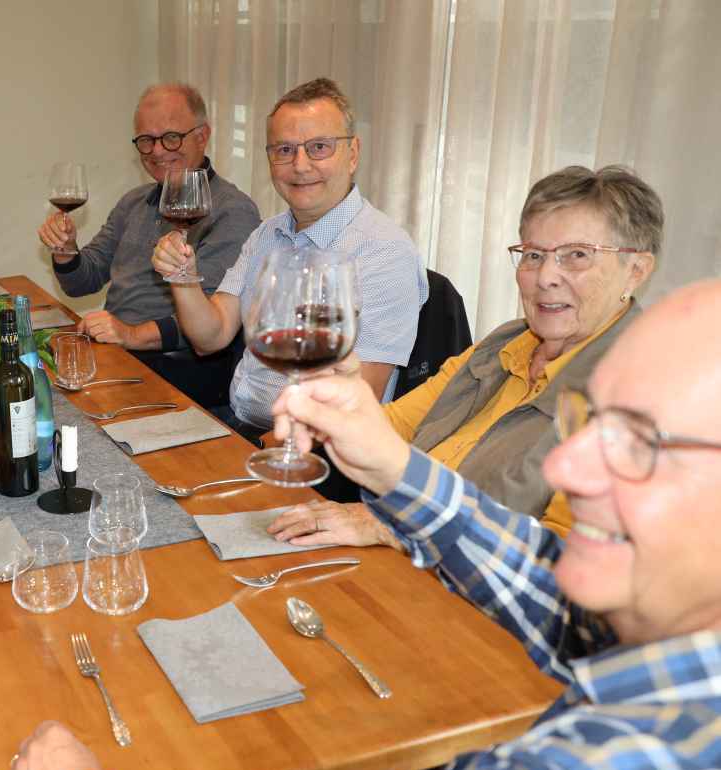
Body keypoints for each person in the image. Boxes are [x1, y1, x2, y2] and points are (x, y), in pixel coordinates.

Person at [4, 277, 721, 770]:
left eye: (641, 445)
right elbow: (552, 591)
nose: (565, 468)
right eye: (591, 424)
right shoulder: (679, 638)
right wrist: (392, 471)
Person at [271, 164, 661, 546]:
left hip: (454, 580)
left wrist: (394, 526)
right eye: (533, 255)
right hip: (399, 549)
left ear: (636, 271)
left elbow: (565, 556)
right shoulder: (507, 342)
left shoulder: (637, 398)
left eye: (576, 255)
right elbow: (396, 425)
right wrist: (336, 414)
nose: (545, 278)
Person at [153, 77, 425, 436]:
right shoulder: (267, 234)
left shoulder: (385, 251)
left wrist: (267, 452)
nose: (300, 165)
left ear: (353, 153)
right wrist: (183, 276)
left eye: (319, 147)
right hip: (236, 423)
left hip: (307, 447)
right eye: (284, 150)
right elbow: (212, 336)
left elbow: (354, 404)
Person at [42, 83, 260, 409]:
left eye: (171, 137)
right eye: (146, 140)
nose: (157, 151)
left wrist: (130, 334)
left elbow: (211, 319)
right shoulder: (134, 201)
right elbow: (81, 283)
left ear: (202, 136)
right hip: (117, 355)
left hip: (180, 372)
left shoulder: (233, 210)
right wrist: (66, 249)